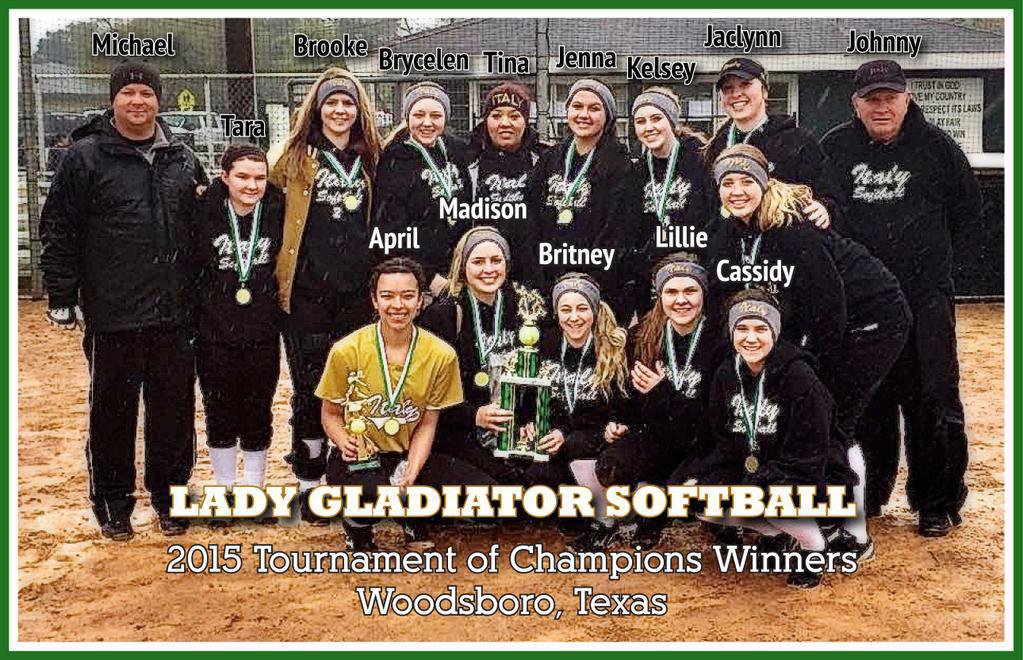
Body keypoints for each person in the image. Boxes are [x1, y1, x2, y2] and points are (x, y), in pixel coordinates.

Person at [707, 144, 912, 557]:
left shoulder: (794, 229)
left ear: (765, 184)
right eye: (727, 183)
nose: (737, 190)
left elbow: (829, 306)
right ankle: (805, 518)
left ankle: (853, 533)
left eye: (747, 181)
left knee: (834, 421)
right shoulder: (730, 232)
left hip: (870, 319)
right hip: (822, 325)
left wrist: (807, 367)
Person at [39, 61, 207, 540]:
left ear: (160, 99)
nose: (139, 102)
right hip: (114, 312)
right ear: (113, 100)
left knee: (173, 412)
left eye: (147, 94)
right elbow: (60, 227)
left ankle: (171, 499)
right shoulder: (85, 157)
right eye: (129, 93)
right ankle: (113, 503)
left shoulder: (181, 156)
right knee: (112, 412)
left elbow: (199, 230)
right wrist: (61, 293)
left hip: (174, 312)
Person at [820, 59, 981, 537]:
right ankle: (871, 493)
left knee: (933, 399)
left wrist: (931, 268)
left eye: (891, 96)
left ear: (907, 98)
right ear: (856, 104)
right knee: (869, 400)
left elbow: (967, 211)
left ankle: (937, 501)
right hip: (865, 303)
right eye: (872, 98)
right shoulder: (836, 149)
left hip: (925, 299)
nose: (882, 106)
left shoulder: (937, 148)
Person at [316, 257, 495, 551]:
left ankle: (412, 514)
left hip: (410, 454)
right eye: (387, 296)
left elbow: (427, 422)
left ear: (421, 302)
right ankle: (357, 526)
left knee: (486, 497)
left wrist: (411, 472)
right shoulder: (346, 350)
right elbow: (330, 414)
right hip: (363, 458)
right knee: (371, 496)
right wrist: (343, 439)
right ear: (374, 301)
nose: (397, 305)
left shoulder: (441, 354)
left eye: (407, 296)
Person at [270, 68, 381, 523]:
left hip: (357, 295)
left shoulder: (371, 157)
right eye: (331, 103)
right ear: (317, 108)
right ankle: (309, 480)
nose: (339, 111)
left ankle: (351, 476)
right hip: (308, 293)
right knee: (310, 388)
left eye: (348, 104)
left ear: (359, 111)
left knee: (357, 391)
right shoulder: (294, 157)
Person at [691, 289, 856, 589]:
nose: (750, 338)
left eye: (760, 329)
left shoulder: (800, 378)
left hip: (814, 473)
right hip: (763, 467)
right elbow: (724, 443)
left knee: (765, 498)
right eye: (741, 328)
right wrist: (703, 477)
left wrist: (755, 483)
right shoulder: (727, 374)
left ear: (775, 333)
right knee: (699, 497)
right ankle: (777, 534)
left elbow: (809, 456)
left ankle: (814, 546)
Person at [418, 226, 557, 488]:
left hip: (509, 429)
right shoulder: (444, 315)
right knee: (502, 494)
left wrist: (529, 419)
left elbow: (535, 375)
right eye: (478, 262)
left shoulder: (522, 308)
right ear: (463, 266)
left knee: (540, 483)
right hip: (459, 430)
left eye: (496, 261)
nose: (488, 269)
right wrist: (474, 415)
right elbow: (427, 392)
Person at [608, 254, 725, 548]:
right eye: (671, 292)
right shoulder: (641, 337)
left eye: (690, 291)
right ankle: (649, 513)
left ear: (703, 294)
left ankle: (722, 526)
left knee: (687, 493)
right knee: (612, 463)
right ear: (659, 297)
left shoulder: (721, 340)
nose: (681, 300)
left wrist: (662, 392)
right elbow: (631, 401)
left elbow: (711, 420)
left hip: (704, 443)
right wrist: (619, 423)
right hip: (661, 437)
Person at [194, 145, 284, 522]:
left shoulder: (277, 209)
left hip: (262, 330)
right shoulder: (204, 211)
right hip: (214, 332)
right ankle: (225, 490)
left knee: (257, 409)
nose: (251, 185)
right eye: (242, 177)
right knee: (219, 409)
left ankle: (253, 490)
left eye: (259, 177)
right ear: (224, 177)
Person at [527, 79, 644, 320]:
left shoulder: (619, 164)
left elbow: (618, 233)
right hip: (551, 282)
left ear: (608, 116)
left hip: (598, 287)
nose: (584, 115)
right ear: (567, 111)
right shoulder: (550, 159)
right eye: (577, 107)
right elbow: (532, 220)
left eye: (594, 108)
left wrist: (583, 284)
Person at [533, 273, 629, 550]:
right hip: (560, 436)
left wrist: (614, 425)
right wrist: (537, 424)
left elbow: (618, 408)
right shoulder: (547, 344)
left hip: (596, 437)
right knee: (537, 472)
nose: (574, 317)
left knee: (576, 446)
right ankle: (579, 518)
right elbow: (538, 400)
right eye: (566, 309)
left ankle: (606, 520)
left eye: (582, 308)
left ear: (595, 311)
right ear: (556, 313)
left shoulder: (612, 347)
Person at [704, 57, 831, 227]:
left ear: (764, 91)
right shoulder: (714, 147)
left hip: (782, 243)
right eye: (728, 88)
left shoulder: (798, 141)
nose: (736, 94)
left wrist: (825, 207)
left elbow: (829, 193)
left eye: (745, 85)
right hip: (731, 246)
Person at [374, 82, 473, 296]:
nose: (427, 123)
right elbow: (392, 231)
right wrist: (427, 276)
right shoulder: (395, 160)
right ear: (407, 117)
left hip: (457, 271)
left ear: (445, 119)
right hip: (420, 277)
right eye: (419, 115)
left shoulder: (455, 153)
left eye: (436, 116)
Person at [465, 82, 547, 267]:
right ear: (485, 121)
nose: (505, 123)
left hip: (533, 269)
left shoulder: (544, 159)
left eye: (514, 116)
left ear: (525, 121)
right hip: (483, 269)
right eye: (496, 116)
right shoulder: (467, 160)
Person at [630, 87, 715, 264]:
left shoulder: (701, 160)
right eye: (640, 121)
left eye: (656, 119)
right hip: (654, 268)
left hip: (694, 266)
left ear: (672, 121)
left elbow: (713, 221)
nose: (649, 128)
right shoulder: (637, 171)